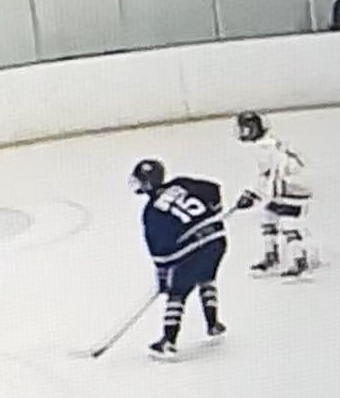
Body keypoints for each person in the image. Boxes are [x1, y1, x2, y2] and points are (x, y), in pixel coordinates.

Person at [131, 158, 227, 358]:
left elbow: (160, 251)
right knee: (206, 278)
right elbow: (213, 189)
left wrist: (164, 277)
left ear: (147, 183)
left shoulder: (152, 212)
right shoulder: (181, 183)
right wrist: (215, 211)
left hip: (191, 252)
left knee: (177, 293)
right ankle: (213, 324)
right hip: (217, 240)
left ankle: (169, 341)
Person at [232, 112, 313, 278]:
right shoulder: (269, 143)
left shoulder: (265, 147)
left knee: (289, 225)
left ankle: (299, 261)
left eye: (249, 129)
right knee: (268, 218)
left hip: (290, 189)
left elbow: (268, 176)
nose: (246, 133)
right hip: (283, 188)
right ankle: (271, 256)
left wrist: (252, 195)